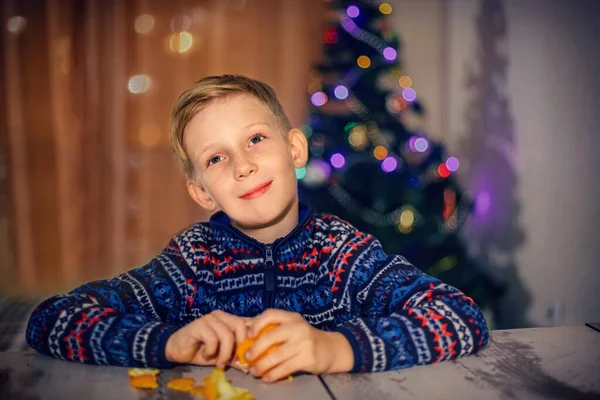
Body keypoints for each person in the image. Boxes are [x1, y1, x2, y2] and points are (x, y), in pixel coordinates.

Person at [26, 75, 489, 383]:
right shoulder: (191, 262)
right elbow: (53, 319)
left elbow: (460, 316)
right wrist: (170, 341)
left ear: (295, 149)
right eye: (216, 158)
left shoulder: (343, 254)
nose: (243, 166)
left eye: (255, 139)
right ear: (202, 193)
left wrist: (332, 349)